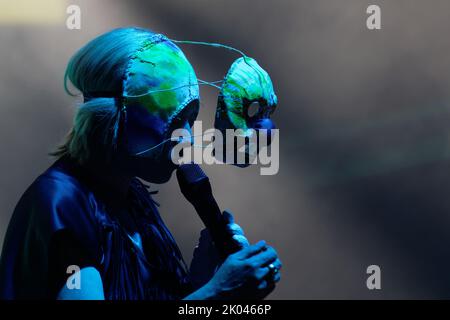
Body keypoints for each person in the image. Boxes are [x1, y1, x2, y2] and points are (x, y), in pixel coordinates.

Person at [0, 27, 282, 300]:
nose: (188, 140)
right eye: (175, 119)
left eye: (192, 119)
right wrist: (217, 293)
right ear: (113, 118)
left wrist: (204, 278)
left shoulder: (133, 199)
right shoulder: (62, 202)